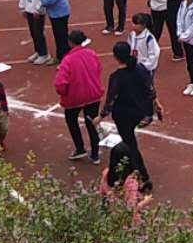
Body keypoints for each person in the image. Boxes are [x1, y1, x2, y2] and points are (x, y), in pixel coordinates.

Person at [99, 40, 154, 191]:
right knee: (131, 144)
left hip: (124, 115)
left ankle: (142, 176)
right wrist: (154, 106)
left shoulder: (117, 77)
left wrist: (101, 116)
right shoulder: (140, 68)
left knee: (130, 146)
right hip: (140, 111)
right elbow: (150, 88)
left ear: (116, 57)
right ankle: (142, 175)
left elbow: (111, 99)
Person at [56, 30, 105, 163]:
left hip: (74, 97)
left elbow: (60, 83)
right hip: (93, 94)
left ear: (70, 42)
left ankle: (80, 148)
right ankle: (95, 154)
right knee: (92, 123)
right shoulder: (92, 54)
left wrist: (63, 93)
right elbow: (98, 69)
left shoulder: (67, 60)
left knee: (72, 121)